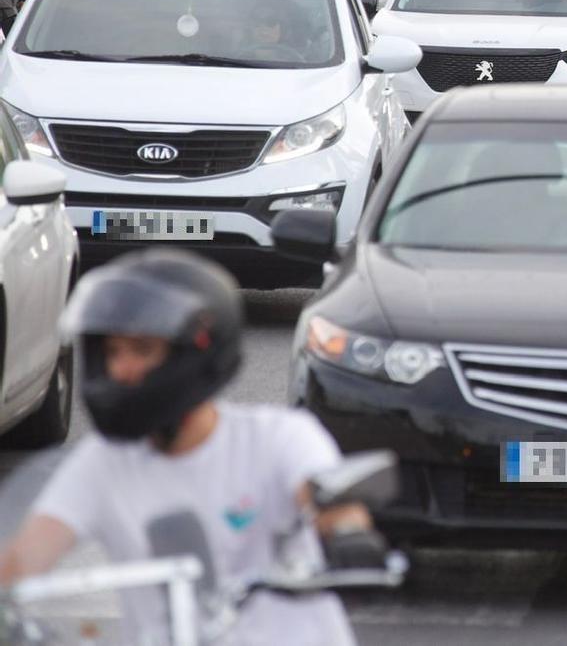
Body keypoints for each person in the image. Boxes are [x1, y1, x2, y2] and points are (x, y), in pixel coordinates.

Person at [0, 252, 387, 645]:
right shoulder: (102, 463)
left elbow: (330, 501)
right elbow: (23, 560)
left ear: (199, 350)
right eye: (113, 353)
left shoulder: (279, 439)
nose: (122, 370)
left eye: (141, 350)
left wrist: (348, 535)